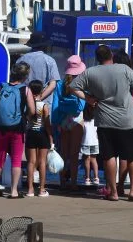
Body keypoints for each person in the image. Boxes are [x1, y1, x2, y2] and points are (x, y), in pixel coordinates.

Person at [68, 45, 133, 202]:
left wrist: (88, 98)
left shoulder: (90, 72)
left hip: (105, 121)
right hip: (128, 121)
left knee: (109, 156)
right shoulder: (124, 69)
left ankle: (113, 192)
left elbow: (73, 87)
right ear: (111, 55)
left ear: (97, 58)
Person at [0, 63, 37, 198]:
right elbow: (32, 110)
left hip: (0, 128)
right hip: (17, 128)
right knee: (16, 159)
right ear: (25, 75)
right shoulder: (25, 90)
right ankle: (14, 191)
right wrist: (25, 117)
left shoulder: (2, 86)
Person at [52, 55, 86, 192]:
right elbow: (81, 106)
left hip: (63, 120)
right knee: (74, 154)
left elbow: (55, 105)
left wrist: (56, 123)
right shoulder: (81, 84)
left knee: (63, 153)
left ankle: (62, 182)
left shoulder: (60, 84)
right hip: (77, 119)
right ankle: (73, 183)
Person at [24, 80, 52, 197]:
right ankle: (41, 189)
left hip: (31, 133)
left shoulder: (28, 106)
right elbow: (47, 124)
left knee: (31, 162)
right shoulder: (44, 106)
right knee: (42, 162)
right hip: (42, 134)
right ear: (41, 91)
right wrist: (51, 138)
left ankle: (30, 189)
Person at [18, 32, 60, 103]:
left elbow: (17, 82)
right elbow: (52, 85)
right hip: (43, 104)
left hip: (24, 101)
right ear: (44, 46)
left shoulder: (21, 60)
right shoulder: (50, 61)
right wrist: (38, 99)